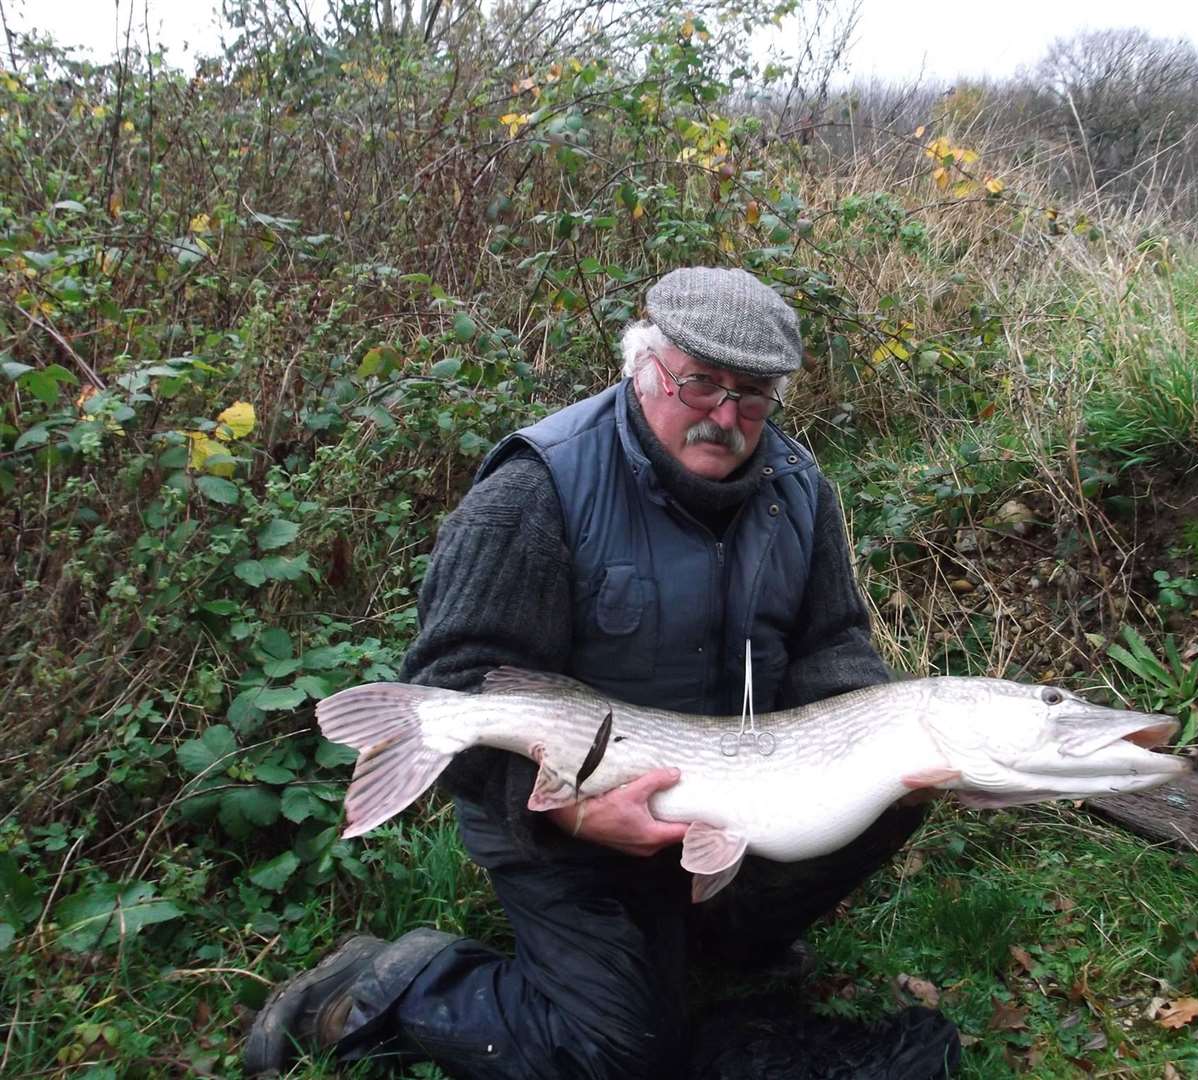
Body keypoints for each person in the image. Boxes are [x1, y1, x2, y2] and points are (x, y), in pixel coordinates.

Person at [243, 267, 960, 1078]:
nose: (724, 417)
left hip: (725, 790)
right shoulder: (535, 490)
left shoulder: (798, 492)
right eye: (699, 384)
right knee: (618, 1055)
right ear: (642, 365)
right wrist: (569, 817)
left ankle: (725, 938)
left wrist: (867, 731)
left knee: (894, 786)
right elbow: (460, 679)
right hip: (565, 822)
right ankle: (392, 979)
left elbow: (833, 642)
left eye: (752, 395)